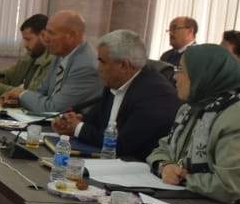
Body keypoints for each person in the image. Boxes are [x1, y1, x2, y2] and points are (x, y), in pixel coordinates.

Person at [147, 43, 240, 204]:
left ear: (203, 76)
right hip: (191, 198)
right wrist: (165, 166)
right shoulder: (191, 108)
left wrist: (183, 177)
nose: (175, 77)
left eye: (182, 71)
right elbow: (163, 148)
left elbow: (230, 186)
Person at [51, 30, 179, 161]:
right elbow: (96, 120)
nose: (98, 68)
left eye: (102, 62)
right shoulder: (115, 83)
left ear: (124, 65)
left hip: (135, 166)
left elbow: (122, 144)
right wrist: (71, 121)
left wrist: (78, 128)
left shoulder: (156, 95)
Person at [0, 10, 101, 112]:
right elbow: (40, 92)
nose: (46, 39)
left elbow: (54, 109)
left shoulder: (85, 67)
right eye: (46, 32)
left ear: (71, 36)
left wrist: (21, 93)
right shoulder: (60, 54)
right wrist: (17, 99)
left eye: (51, 33)